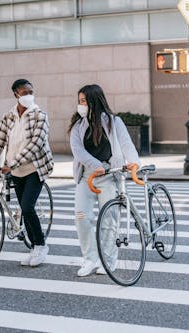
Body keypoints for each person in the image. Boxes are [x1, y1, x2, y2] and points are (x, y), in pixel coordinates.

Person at [0, 79, 54, 267]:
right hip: (15, 171)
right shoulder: (9, 116)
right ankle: (34, 248)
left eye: (31, 92)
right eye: (24, 92)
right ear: (16, 95)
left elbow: (36, 144)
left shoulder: (39, 115)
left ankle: (41, 246)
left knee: (27, 207)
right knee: (24, 210)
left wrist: (12, 163)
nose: (29, 95)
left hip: (35, 168)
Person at [68, 84, 140, 277]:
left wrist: (133, 162)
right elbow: (77, 150)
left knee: (108, 220)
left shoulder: (114, 122)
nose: (81, 105)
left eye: (84, 101)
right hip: (87, 177)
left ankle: (108, 260)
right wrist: (94, 165)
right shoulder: (78, 125)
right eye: (79, 101)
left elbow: (126, 143)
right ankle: (90, 259)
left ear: (94, 101)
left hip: (109, 176)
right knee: (82, 218)